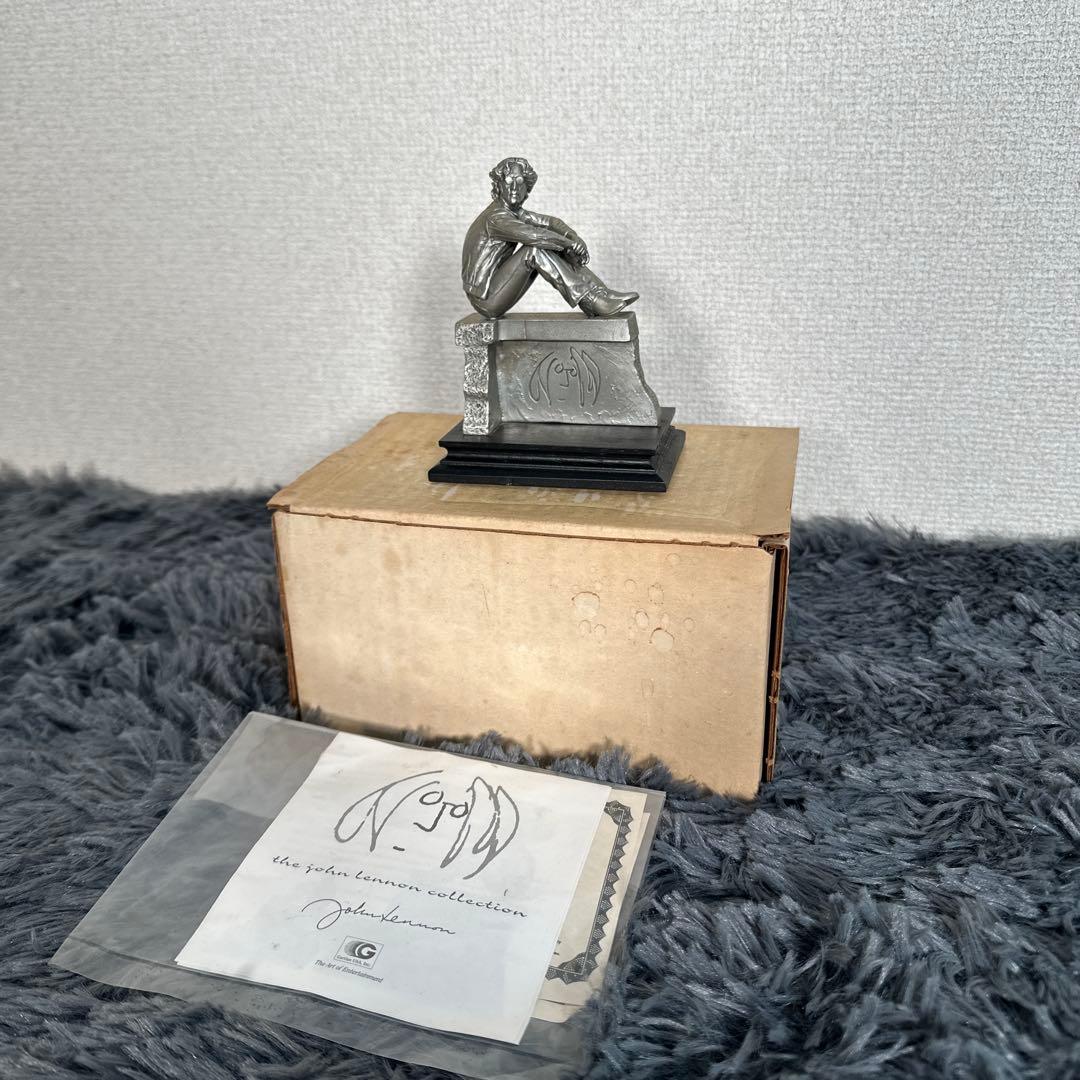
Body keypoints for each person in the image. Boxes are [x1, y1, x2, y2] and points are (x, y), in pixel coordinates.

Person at [462, 157, 639, 318]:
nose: (514, 187)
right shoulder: (496, 218)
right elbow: (535, 235)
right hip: (486, 299)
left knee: (552, 243)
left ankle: (600, 293)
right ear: (499, 185)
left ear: (527, 187)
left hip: (495, 289)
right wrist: (569, 244)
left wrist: (573, 237)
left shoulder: (513, 212)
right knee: (535, 249)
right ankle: (588, 299)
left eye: (520, 181)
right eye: (508, 181)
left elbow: (550, 222)